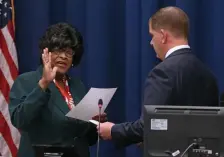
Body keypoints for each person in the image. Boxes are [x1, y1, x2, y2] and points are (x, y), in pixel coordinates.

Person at [97, 6, 219, 148]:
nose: (151, 42)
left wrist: (112, 130)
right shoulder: (208, 74)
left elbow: (148, 126)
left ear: (163, 36)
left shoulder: (162, 73)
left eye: (152, 35)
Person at [9, 23, 106, 157]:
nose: (63, 56)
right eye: (58, 50)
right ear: (46, 52)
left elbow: (87, 138)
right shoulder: (27, 81)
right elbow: (20, 120)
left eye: (69, 52)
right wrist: (44, 83)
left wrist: (94, 122)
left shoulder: (78, 86)